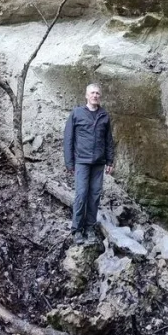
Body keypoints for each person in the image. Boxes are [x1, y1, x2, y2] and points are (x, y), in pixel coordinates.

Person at [63, 83, 115, 245]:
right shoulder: (77, 113)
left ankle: (90, 227)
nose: (95, 95)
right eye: (92, 93)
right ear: (86, 95)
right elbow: (68, 139)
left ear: (100, 96)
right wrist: (69, 162)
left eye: (97, 93)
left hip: (98, 163)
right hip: (82, 162)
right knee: (81, 195)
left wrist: (110, 160)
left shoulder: (104, 115)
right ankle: (77, 229)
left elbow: (108, 140)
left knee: (94, 196)